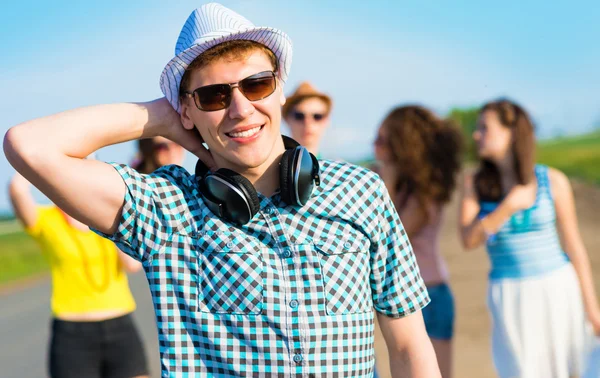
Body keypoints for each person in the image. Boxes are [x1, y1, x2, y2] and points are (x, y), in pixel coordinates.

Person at [3, 3, 440, 377]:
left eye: (256, 84)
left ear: (280, 89)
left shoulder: (361, 191)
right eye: (214, 95)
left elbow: (408, 346)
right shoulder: (165, 210)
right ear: (187, 110)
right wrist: (161, 114)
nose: (240, 108)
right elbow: (29, 146)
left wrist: (194, 104)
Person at [459, 98, 599, 378]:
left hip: (557, 289)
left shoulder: (552, 180)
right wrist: (507, 207)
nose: (477, 135)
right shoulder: (475, 184)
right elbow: (468, 240)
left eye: (485, 128)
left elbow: (574, 247)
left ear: (511, 133)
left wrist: (592, 310)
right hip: (509, 294)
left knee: (572, 369)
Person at [8, 169, 149, 378]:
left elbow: (132, 265)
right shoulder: (47, 220)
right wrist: (50, 153)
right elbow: (17, 189)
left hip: (120, 324)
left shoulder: (106, 218)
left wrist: (114, 220)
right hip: (72, 332)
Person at [373, 105, 463, 378]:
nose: (374, 147)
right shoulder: (374, 177)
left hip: (431, 296)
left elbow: (391, 236)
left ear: (401, 144)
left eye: (381, 140)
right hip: (392, 299)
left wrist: (386, 181)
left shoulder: (426, 193)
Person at [282, 81, 332, 156]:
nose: (308, 122)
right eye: (299, 116)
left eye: (317, 116)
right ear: (287, 119)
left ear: (326, 120)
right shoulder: (273, 165)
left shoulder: (337, 166)